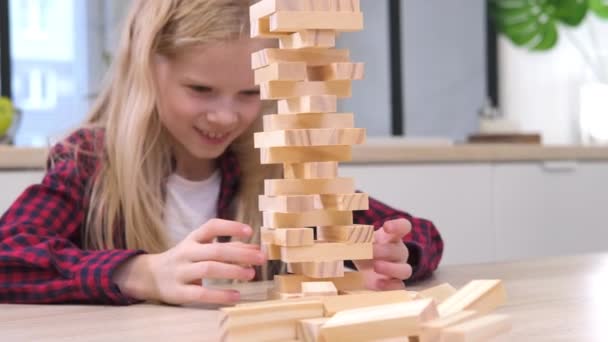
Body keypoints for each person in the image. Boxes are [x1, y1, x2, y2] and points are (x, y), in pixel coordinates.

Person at [0, 0, 443, 306]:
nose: (225, 116)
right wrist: (141, 273)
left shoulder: (274, 167)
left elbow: (422, 234)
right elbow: (9, 257)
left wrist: (388, 252)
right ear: (149, 68)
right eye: (200, 90)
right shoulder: (91, 164)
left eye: (249, 93)